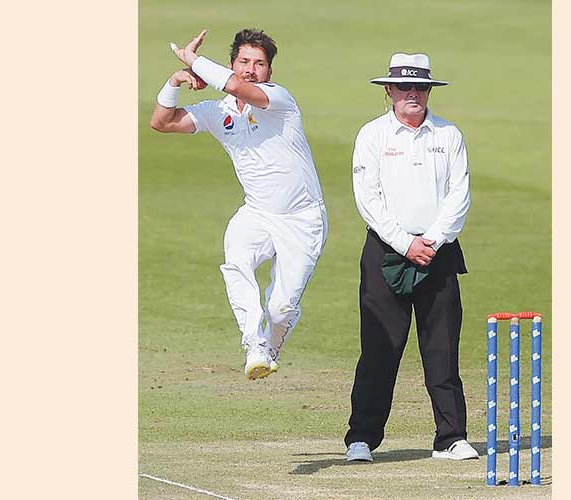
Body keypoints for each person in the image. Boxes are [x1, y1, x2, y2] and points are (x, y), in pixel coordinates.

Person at [150, 28, 327, 381]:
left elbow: (235, 87)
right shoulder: (219, 112)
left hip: (302, 218)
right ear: (232, 63)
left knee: (281, 310)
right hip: (256, 212)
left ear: (269, 71)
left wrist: (194, 60)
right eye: (244, 61)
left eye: (259, 63)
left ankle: (271, 346)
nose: (250, 69)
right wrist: (176, 79)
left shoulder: (278, 99)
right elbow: (161, 122)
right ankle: (253, 344)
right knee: (236, 262)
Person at [344, 53, 476, 462]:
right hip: (386, 251)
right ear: (389, 90)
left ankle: (450, 437)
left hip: (438, 251)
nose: (412, 94)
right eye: (404, 87)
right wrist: (405, 243)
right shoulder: (372, 135)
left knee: (442, 348)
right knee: (380, 348)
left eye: (420, 86)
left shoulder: (448, 134)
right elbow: (368, 200)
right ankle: (361, 438)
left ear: (428, 90)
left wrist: (431, 240)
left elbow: (459, 195)